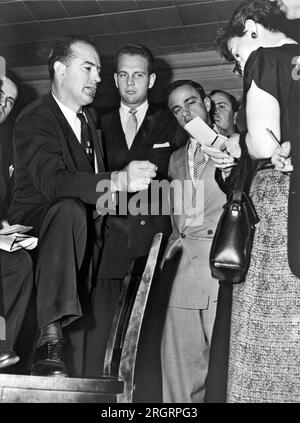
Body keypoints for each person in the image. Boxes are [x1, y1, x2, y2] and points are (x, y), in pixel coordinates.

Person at [7, 35, 157, 378]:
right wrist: (117, 180)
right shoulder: (35, 118)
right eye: (88, 68)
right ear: (60, 70)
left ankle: (50, 348)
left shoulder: (89, 121)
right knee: (69, 208)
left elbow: (93, 192)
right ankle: (48, 337)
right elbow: (55, 184)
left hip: (81, 247)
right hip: (39, 240)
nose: (98, 78)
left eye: (100, 71)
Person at [209, 0, 300, 402]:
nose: (239, 66)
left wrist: (237, 139)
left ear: (251, 29)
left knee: (265, 338)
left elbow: (264, 142)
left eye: (237, 55)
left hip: (281, 211)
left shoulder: (266, 57)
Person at [84, 43, 187, 377]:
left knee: (143, 349)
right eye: (124, 75)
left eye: (138, 75)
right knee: (100, 343)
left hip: (151, 250)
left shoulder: (171, 124)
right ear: (114, 79)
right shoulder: (94, 122)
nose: (131, 83)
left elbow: (183, 186)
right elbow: (91, 182)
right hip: (107, 250)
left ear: (151, 79)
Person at [158, 80, 231, 403]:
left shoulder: (239, 149)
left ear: (207, 103)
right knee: (178, 378)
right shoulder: (173, 160)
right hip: (180, 276)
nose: (185, 113)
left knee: (231, 373)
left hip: (224, 271)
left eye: (190, 103)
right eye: (177, 109)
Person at [0, 75, 33, 370]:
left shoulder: (6, 148)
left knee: (19, 263)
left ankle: (1, 345)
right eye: (0, 95)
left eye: (10, 102)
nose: (4, 105)